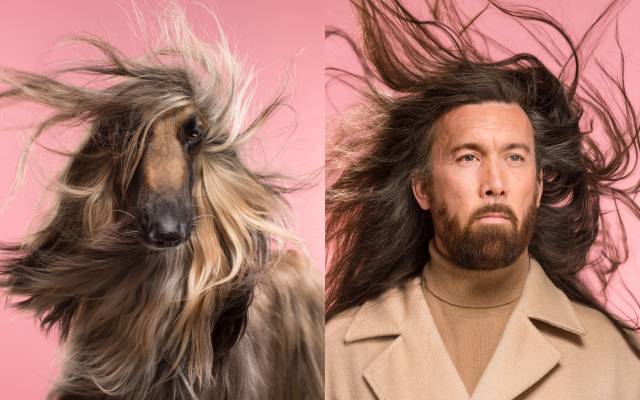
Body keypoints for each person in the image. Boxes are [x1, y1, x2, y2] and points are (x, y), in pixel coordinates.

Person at [325, 1, 640, 399]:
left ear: (539, 186)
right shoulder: (335, 355)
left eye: (514, 157)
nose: (495, 183)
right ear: (422, 188)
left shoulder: (618, 360)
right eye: (468, 157)